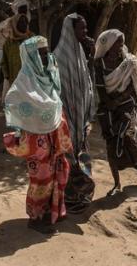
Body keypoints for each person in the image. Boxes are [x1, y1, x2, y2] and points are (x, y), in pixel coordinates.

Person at [3, 36, 73, 234]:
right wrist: (31, 122)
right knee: (41, 179)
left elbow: (55, 102)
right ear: (30, 56)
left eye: (46, 52)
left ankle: (51, 212)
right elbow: (12, 100)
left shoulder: (48, 77)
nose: (45, 57)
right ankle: (36, 218)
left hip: (53, 136)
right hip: (37, 140)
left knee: (56, 175)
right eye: (40, 54)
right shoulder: (23, 82)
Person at [94, 29, 137, 196]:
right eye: (118, 42)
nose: (121, 45)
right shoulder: (100, 65)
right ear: (109, 45)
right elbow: (101, 92)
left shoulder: (128, 62)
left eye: (122, 41)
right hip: (108, 108)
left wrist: (117, 101)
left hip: (126, 106)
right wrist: (110, 103)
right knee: (111, 143)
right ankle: (117, 183)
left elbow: (131, 89)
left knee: (128, 138)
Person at [54, 13, 96, 212]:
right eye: (82, 29)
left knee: (81, 156)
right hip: (66, 117)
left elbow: (87, 83)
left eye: (85, 28)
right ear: (71, 30)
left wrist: (91, 54)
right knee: (68, 158)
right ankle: (68, 199)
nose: (85, 32)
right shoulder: (59, 57)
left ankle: (80, 196)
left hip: (80, 117)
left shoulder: (80, 52)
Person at [1, 3, 34, 89]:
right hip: (15, 80)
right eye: (21, 22)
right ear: (15, 24)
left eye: (25, 22)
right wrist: (7, 76)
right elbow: (4, 61)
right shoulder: (9, 42)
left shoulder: (32, 38)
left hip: (31, 80)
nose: (24, 25)